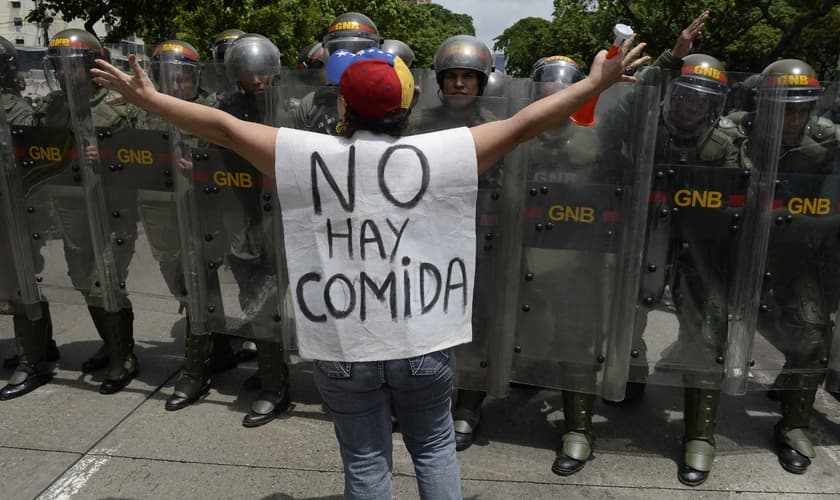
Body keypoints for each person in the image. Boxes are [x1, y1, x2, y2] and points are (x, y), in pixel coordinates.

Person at [91, 35, 648, 500]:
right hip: (424, 344)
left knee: (365, 465)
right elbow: (528, 122)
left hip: (343, 347)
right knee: (433, 450)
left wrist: (149, 99)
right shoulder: (446, 152)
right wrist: (594, 83)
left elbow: (222, 128)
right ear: (407, 109)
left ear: (341, 108)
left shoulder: (304, 152)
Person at [744, 58, 839, 475]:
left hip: (797, 250)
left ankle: (793, 426)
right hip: (735, 245)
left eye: (803, 108)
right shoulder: (736, 131)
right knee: (706, 331)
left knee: (814, 335)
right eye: (786, 107)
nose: (795, 117)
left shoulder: (828, 139)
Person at [37, 28, 139, 395]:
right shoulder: (52, 106)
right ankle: (111, 344)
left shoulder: (120, 106)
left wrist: (110, 155)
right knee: (82, 277)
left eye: (72, 66)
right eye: (59, 67)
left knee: (105, 281)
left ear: (93, 66)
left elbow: (143, 160)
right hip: (69, 205)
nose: (65, 74)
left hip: (113, 209)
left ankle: (124, 356)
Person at [411, 34, 496, 452]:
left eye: (468, 77)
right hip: (428, 241)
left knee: (477, 324)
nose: (460, 84)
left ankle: (470, 404)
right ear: (441, 81)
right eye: (453, 76)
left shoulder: (497, 125)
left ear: (482, 83)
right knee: (429, 320)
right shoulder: (419, 124)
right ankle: (430, 399)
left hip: (483, 239)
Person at [0, 34, 57, 400]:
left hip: (13, 213)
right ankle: (39, 347)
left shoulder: (15, 110)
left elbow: (24, 166)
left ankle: (33, 359)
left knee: (20, 285)